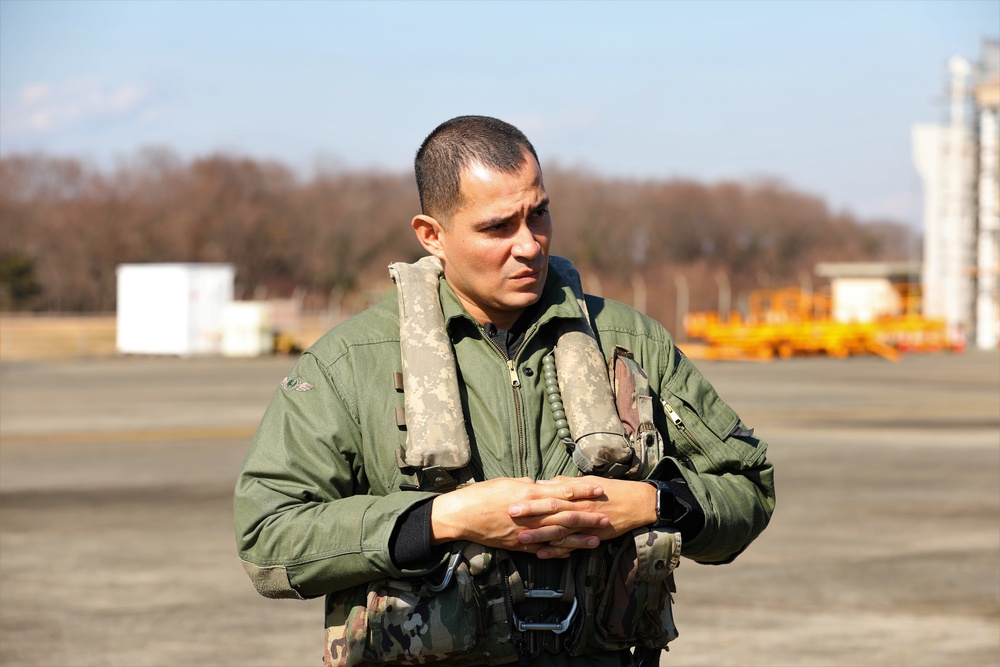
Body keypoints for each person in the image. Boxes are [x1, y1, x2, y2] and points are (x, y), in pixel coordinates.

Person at [234, 115, 775, 667]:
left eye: (538, 214)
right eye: (497, 228)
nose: (529, 245)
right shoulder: (347, 365)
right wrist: (443, 518)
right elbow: (268, 538)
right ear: (432, 235)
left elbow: (749, 487)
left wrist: (652, 502)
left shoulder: (630, 341)